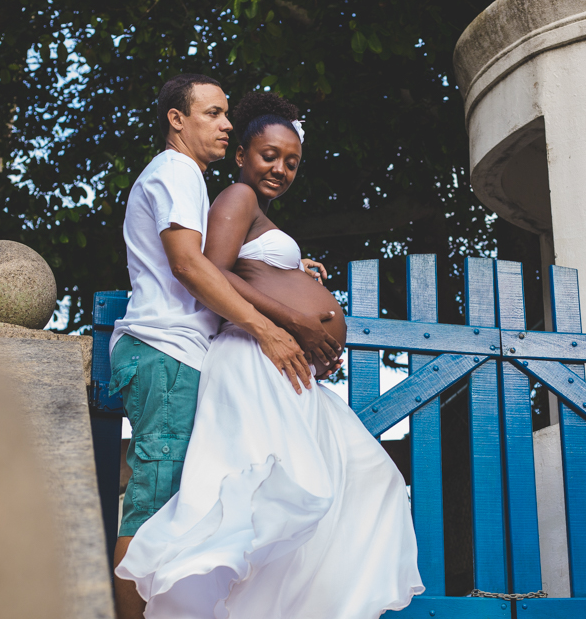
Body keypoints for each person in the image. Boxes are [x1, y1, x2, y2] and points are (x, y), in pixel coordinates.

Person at [115, 92, 423, 618]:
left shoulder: (247, 207)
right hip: (246, 357)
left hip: (274, 365)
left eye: (291, 162)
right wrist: (296, 319)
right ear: (241, 156)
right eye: (268, 155)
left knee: (352, 481)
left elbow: (241, 266)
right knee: (272, 496)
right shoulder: (232, 194)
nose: (280, 168)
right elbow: (211, 269)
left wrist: (293, 275)